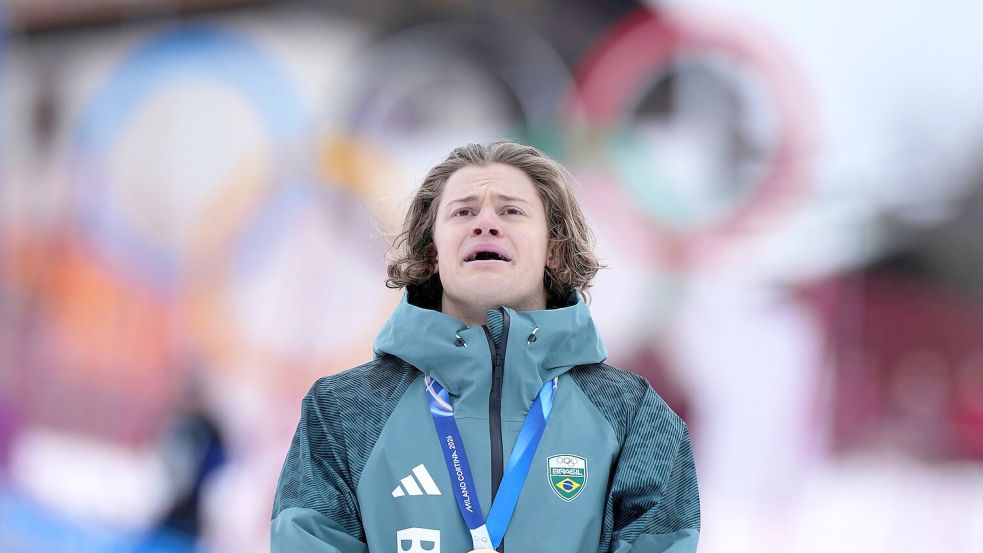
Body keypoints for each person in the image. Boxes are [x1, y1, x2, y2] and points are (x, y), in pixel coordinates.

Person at [271, 141, 700, 553]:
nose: (486, 223)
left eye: (511, 210)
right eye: (463, 211)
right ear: (431, 252)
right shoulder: (344, 410)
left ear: (554, 248)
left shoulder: (632, 414)